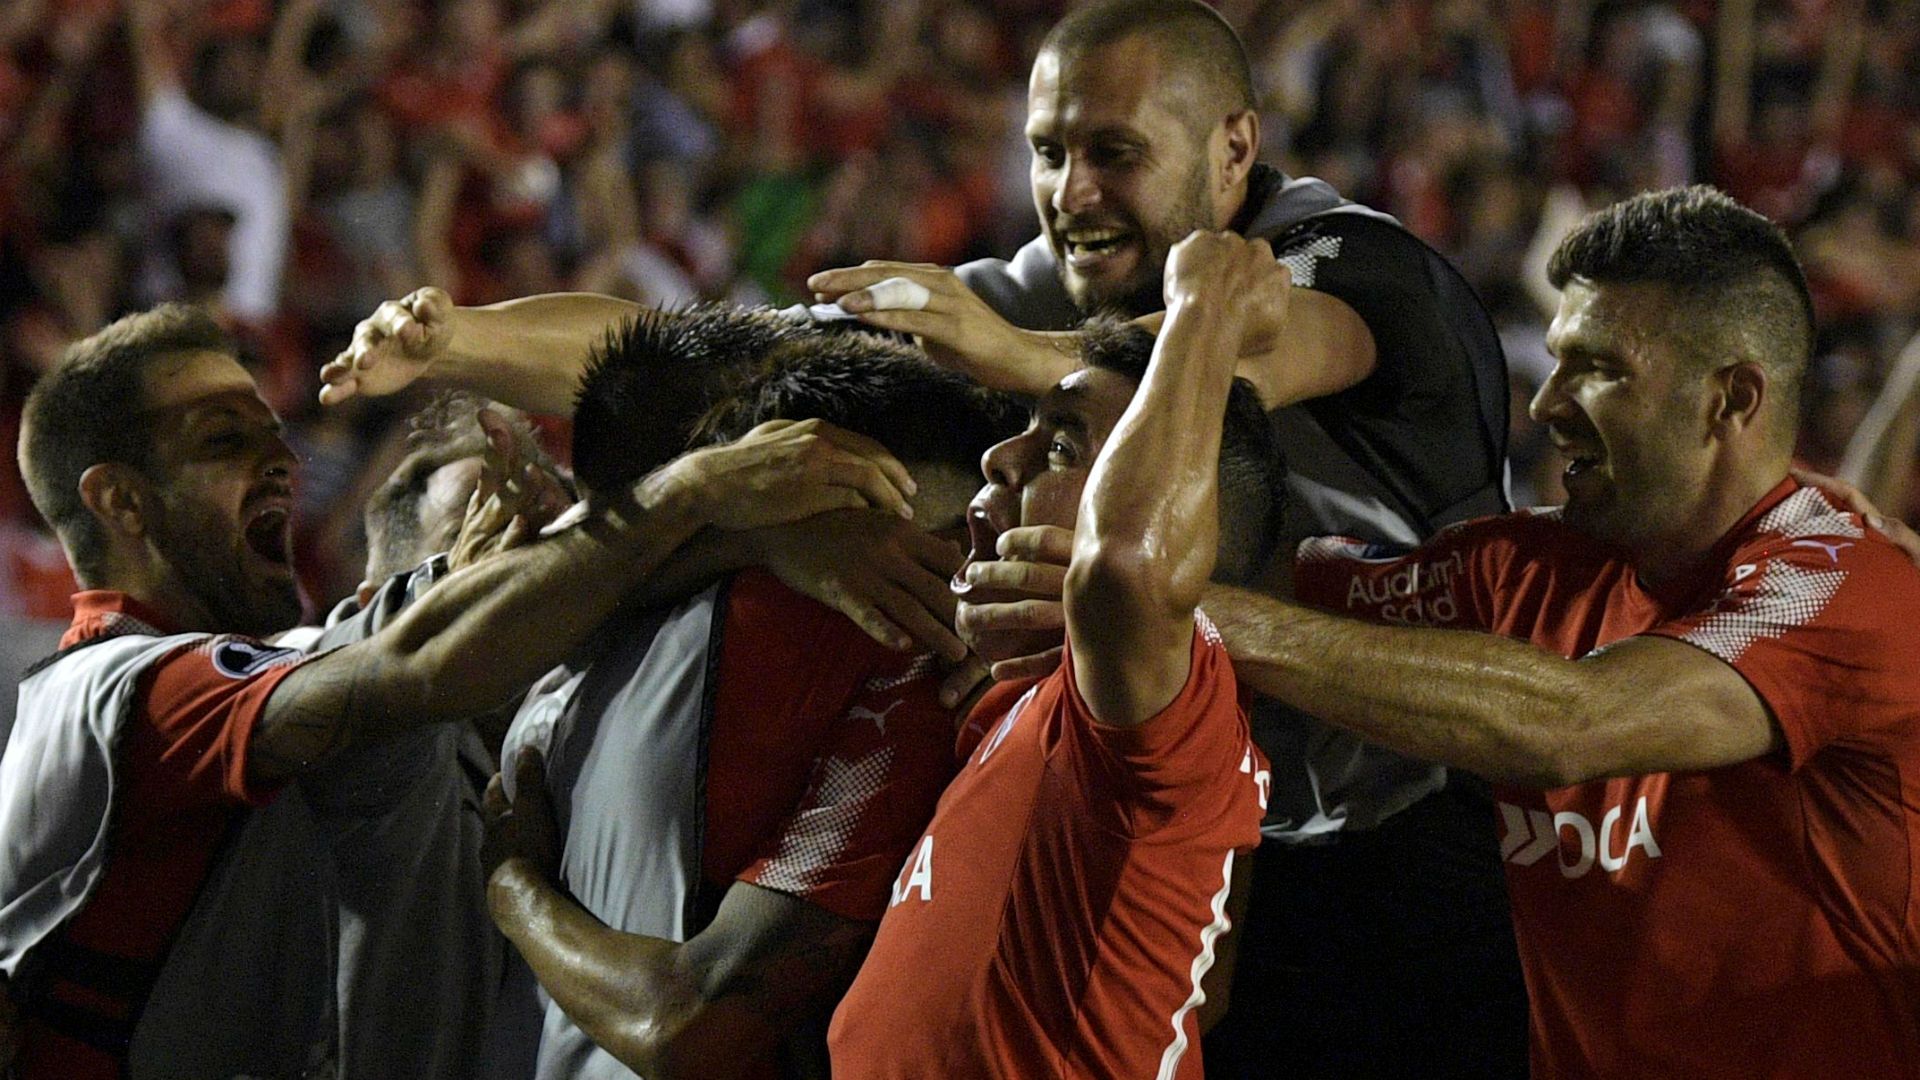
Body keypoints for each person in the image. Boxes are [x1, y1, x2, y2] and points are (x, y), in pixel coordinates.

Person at [1003, 187, 1920, 1076]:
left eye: (1599, 369)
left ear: (1732, 399)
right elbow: (1257, 582)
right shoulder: (1516, 570)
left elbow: (1574, 722)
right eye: (1557, 360)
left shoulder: (1848, 585)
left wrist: (1163, 603)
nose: (1546, 403)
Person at [805, 1, 1522, 1072]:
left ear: (1234, 148)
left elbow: (1230, 346)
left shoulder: (1360, 264)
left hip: (1423, 830)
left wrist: (1012, 355)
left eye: (1114, 153)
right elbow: (740, 358)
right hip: (1209, 826)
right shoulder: (1056, 283)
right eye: (1048, 152)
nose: (1071, 193)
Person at [0, 303, 917, 1079]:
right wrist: (695, 496)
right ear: (120, 501)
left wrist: (749, 533)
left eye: (275, 434)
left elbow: (472, 628)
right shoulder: (117, 691)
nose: (282, 462)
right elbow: (419, 660)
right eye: (224, 440)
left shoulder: (272, 673)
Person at [477, 311, 1023, 1079]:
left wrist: (510, 885)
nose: (972, 565)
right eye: (949, 536)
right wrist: (513, 886)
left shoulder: (560, 646)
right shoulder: (901, 666)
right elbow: (686, 1030)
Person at [827, 232, 1281, 1078]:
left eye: (1064, 446)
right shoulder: (1017, 705)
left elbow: (1130, 567)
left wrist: (1205, 307)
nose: (1001, 456)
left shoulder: (1171, 714)